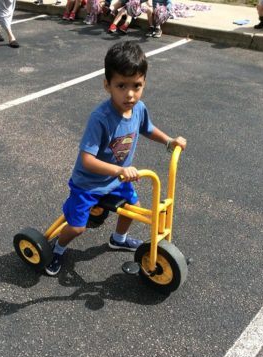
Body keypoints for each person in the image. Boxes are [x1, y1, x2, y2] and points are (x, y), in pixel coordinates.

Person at [45, 41, 186, 276]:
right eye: (121, 85)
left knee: (132, 208)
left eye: (136, 85)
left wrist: (170, 142)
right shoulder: (100, 118)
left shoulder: (139, 108)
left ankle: (118, 238)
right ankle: (57, 249)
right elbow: (87, 160)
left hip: (117, 180)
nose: (130, 94)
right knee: (78, 227)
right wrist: (119, 171)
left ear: (144, 84)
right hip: (88, 184)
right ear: (107, 85)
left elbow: (148, 128)